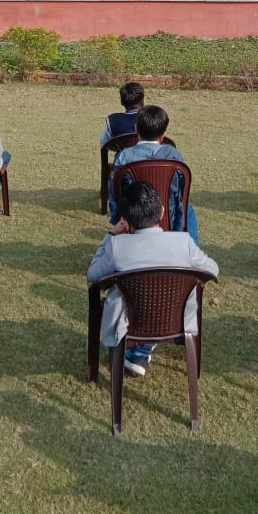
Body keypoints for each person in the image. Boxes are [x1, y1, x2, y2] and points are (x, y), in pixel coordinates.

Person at [87, 181, 218, 378]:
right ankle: (142, 352)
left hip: (128, 325)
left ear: (125, 221)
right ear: (163, 212)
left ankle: (135, 352)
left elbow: (92, 274)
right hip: (176, 320)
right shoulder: (183, 243)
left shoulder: (117, 246)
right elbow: (212, 270)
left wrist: (110, 235)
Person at [109, 105, 200, 244]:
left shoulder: (124, 157)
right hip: (168, 215)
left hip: (133, 218)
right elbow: (182, 192)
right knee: (188, 209)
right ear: (163, 134)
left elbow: (115, 193)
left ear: (136, 129)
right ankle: (190, 249)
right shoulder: (174, 156)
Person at [99, 82, 145, 146]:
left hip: (123, 156)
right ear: (143, 101)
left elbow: (103, 142)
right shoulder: (154, 117)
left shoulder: (113, 120)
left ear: (121, 102)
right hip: (150, 156)